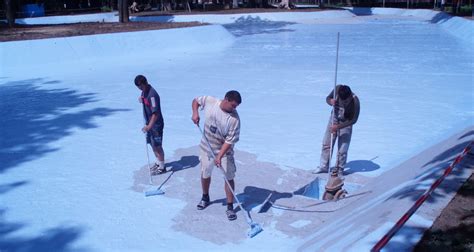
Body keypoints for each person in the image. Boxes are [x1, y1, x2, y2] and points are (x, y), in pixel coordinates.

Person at [191, 91, 242, 221]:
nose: (234, 109)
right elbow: (196, 100)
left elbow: (229, 141)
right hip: (206, 148)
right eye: (233, 105)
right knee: (205, 173)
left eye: (236, 107)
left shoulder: (234, 120)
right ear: (226, 99)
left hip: (225, 152)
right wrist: (195, 113)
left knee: (228, 176)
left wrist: (219, 156)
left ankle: (230, 207)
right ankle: (205, 197)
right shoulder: (210, 101)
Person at [313, 84, 360, 176]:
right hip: (333, 119)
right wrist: (330, 101)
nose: (343, 101)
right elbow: (327, 98)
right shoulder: (338, 89)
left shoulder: (355, 101)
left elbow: (354, 120)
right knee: (327, 144)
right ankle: (324, 166)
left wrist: (338, 127)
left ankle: (339, 169)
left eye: (345, 100)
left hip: (346, 123)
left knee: (342, 149)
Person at [135, 75, 166, 175]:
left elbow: (155, 113)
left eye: (141, 87)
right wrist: (142, 99)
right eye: (138, 88)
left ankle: (162, 167)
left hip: (155, 124)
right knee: (152, 144)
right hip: (149, 123)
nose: (140, 89)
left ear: (145, 83)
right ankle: (158, 162)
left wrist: (149, 127)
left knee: (157, 145)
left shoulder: (153, 95)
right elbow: (145, 98)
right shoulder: (144, 91)